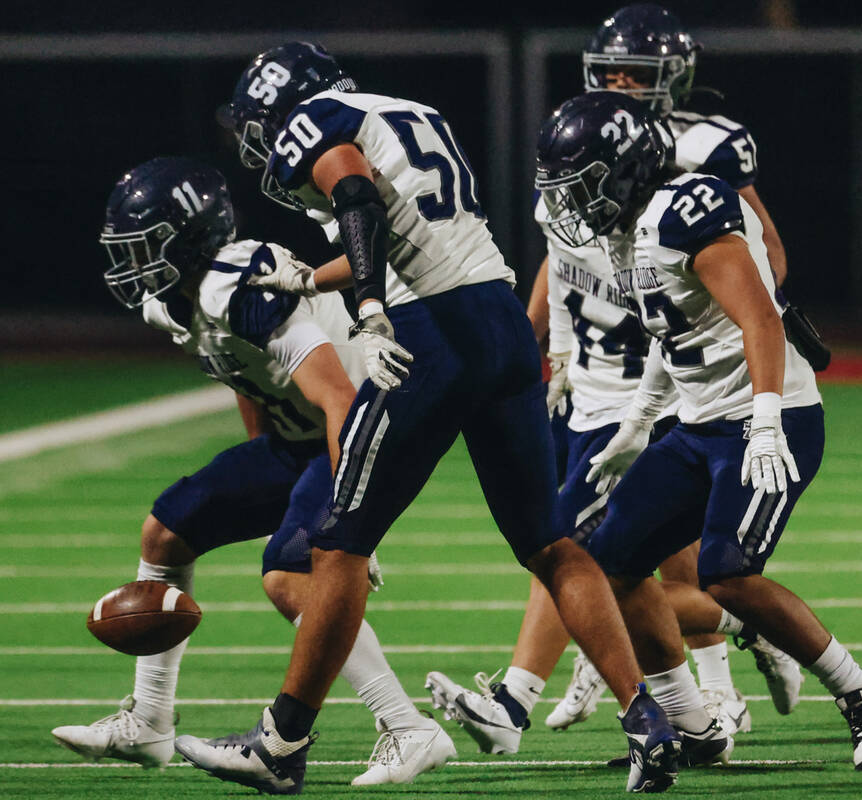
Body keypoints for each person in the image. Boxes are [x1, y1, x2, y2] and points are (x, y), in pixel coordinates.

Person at [176, 42, 684, 794]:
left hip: (430, 335)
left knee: (338, 544)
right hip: (502, 318)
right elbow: (399, 223)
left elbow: (354, 194)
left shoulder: (313, 124)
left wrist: (372, 307)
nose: (257, 137)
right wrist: (317, 277)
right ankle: (647, 719)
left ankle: (281, 743)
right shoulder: (411, 113)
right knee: (548, 542)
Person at [427, 3, 801, 753]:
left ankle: (527, 701)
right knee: (604, 552)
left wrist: (689, 316)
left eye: (639, 74)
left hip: (667, 379)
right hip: (598, 382)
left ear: (673, 78)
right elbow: (560, 260)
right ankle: (716, 685)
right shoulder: (579, 143)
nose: (623, 84)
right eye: (611, 73)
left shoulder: (707, 147)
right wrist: (535, 345)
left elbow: (767, 261)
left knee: (595, 549)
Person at [536, 90, 862, 772]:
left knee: (728, 574)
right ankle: (693, 726)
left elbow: (761, 319)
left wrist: (766, 424)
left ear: (620, 170)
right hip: (699, 425)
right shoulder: (633, 229)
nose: (571, 204)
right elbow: (668, 335)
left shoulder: (686, 209)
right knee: (611, 563)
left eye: (581, 184)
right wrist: (642, 421)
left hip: (771, 416)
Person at [54, 156, 453, 787]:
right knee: (166, 531)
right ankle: (149, 723)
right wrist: (259, 469)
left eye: (146, 246)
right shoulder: (176, 304)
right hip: (295, 441)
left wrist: (348, 513)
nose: (131, 262)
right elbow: (245, 375)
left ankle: (407, 726)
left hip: (357, 428)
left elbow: (338, 398)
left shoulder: (235, 287)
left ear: (187, 240)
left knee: (289, 578)